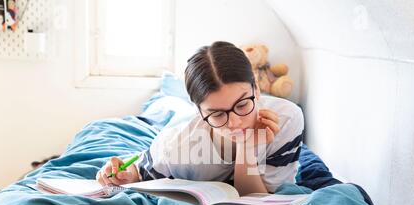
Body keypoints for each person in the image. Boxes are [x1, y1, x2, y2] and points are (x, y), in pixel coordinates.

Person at [96, 41, 304, 195]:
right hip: (178, 125)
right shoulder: (177, 149)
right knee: (166, 106)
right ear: (200, 112)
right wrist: (121, 174)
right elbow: (137, 171)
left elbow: (261, 200)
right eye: (217, 113)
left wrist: (247, 148)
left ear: (257, 90)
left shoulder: (286, 118)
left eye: (242, 105)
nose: (235, 123)